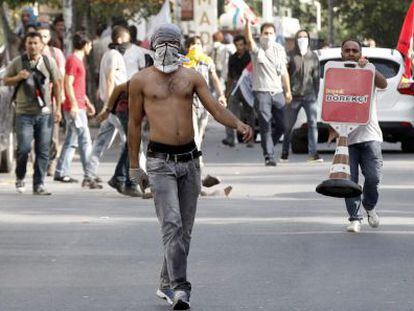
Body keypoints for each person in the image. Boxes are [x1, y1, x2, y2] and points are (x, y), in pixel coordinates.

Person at [128, 23, 252, 310]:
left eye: (173, 41)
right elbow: (134, 125)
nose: (168, 47)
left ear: (181, 45)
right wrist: (135, 166)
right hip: (159, 163)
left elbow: (215, 108)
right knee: (171, 225)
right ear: (154, 46)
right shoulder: (140, 81)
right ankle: (180, 289)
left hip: (189, 161)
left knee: (183, 231)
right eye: (163, 41)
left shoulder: (192, 77)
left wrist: (238, 123)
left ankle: (165, 283)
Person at [330, 39, 387, 233]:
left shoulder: (368, 71)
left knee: (373, 178)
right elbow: (329, 104)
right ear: (342, 54)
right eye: (348, 50)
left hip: (370, 136)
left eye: (355, 50)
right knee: (350, 182)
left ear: (360, 53)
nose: (351, 53)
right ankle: (355, 217)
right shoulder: (334, 75)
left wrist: (370, 67)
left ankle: (369, 206)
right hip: (347, 139)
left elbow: (384, 83)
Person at [4, 31, 62, 195]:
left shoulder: (48, 62)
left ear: (42, 45)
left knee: (43, 150)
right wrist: (18, 77)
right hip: (23, 114)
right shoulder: (18, 62)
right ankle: (20, 176)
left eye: (36, 43)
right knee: (23, 148)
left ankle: (39, 184)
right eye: (30, 43)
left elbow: (57, 84)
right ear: (25, 45)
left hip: (45, 113)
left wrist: (58, 108)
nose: (33, 46)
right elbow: (5, 80)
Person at [53, 32, 101, 188]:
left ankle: (61, 171)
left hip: (80, 105)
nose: (91, 47)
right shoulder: (73, 60)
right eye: (90, 45)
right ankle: (89, 174)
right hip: (75, 107)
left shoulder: (78, 60)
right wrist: (74, 103)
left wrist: (87, 102)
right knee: (85, 139)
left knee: (71, 141)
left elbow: (77, 86)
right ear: (85, 44)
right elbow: (68, 82)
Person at [86, 25, 130, 192]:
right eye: (127, 41)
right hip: (116, 106)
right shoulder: (114, 55)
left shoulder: (109, 54)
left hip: (112, 106)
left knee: (102, 142)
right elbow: (111, 78)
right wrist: (109, 106)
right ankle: (126, 177)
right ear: (119, 40)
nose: (128, 44)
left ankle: (89, 174)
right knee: (131, 141)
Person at [245, 19, 292, 166]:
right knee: (265, 124)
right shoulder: (257, 50)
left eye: (271, 33)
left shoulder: (279, 49)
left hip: (277, 92)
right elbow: (249, 40)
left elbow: (284, 72)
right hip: (261, 92)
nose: (268, 36)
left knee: (284, 125)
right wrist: (247, 24)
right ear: (260, 35)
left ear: (275, 34)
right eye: (265, 33)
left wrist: (288, 91)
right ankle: (269, 155)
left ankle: (268, 143)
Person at [281, 29, 322, 162]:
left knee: (313, 124)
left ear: (309, 39)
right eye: (300, 37)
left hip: (309, 96)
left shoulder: (313, 56)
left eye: (305, 37)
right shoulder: (290, 55)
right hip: (293, 97)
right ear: (296, 39)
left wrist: (315, 94)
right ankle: (284, 152)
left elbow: (316, 78)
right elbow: (284, 75)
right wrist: (286, 92)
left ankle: (313, 154)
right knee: (288, 126)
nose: (302, 39)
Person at [183, 36, 227, 152]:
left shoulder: (207, 61)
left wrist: (221, 95)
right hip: (189, 101)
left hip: (205, 100)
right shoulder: (184, 62)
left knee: (201, 130)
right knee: (195, 132)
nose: (196, 46)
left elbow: (215, 79)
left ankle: (197, 149)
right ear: (188, 47)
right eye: (193, 44)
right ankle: (198, 156)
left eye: (198, 44)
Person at [38, 25, 66, 175]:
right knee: (36, 135)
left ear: (49, 38)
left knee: (53, 135)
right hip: (35, 101)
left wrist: (60, 99)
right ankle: (39, 165)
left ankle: (51, 162)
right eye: (39, 36)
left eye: (45, 36)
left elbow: (60, 78)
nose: (42, 39)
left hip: (52, 99)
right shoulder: (31, 54)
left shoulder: (56, 54)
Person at [222, 35, 253, 147]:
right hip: (236, 86)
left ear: (245, 45)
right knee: (230, 112)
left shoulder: (250, 56)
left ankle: (250, 139)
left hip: (248, 87)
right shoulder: (233, 58)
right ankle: (230, 138)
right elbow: (230, 76)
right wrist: (227, 93)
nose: (239, 47)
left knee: (249, 113)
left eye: (241, 45)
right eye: (237, 45)